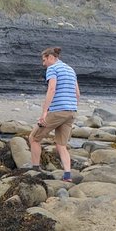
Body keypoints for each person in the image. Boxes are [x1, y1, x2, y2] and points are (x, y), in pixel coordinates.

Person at [28, 45, 80, 181]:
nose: (43, 64)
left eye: (44, 60)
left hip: (58, 111)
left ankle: (35, 169)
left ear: (50, 57)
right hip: (71, 111)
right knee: (61, 144)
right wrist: (73, 107)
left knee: (34, 138)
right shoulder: (70, 69)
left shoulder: (53, 68)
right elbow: (77, 93)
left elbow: (51, 89)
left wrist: (44, 112)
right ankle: (67, 175)